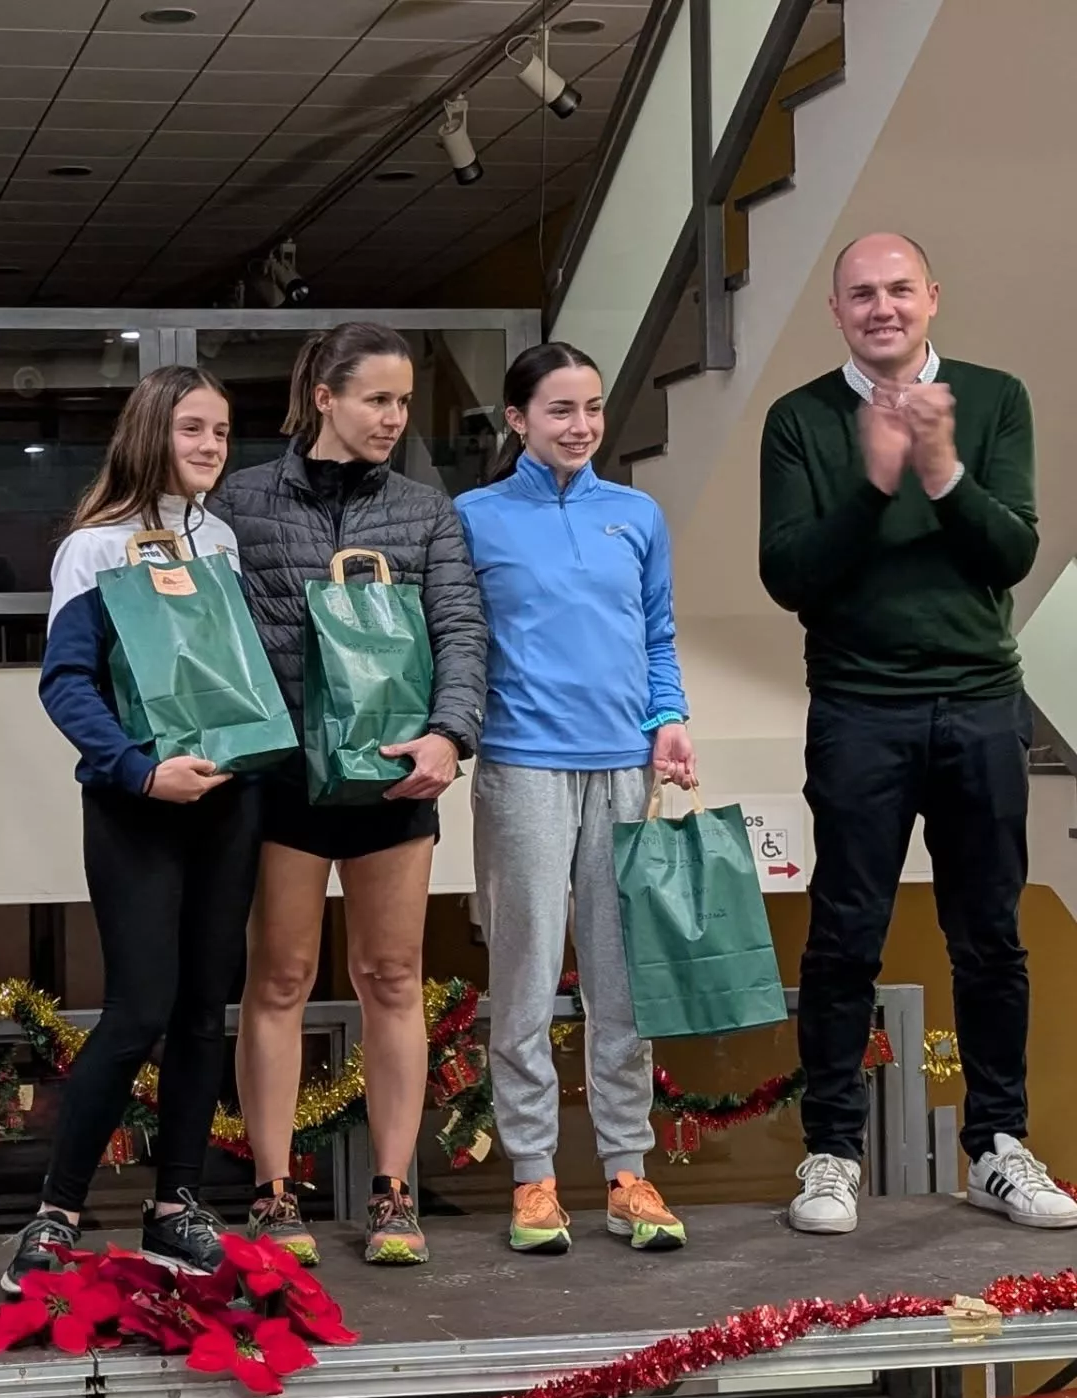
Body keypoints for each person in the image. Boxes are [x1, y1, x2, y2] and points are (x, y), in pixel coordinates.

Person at [760, 232, 1077, 1234]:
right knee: (844, 930)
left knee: (988, 933)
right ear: (837, 309)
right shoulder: (800, 419)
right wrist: (874, 480)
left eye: (900, 289)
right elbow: (791, 576)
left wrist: (939, 469)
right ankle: (832, 1153)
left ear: (932, 297)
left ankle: (998, 1145)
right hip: (858, 707)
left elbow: (1013, 551)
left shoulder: (994, 399)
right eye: (863, 293)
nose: (883, 307)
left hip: (980, 702)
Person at [210, 323, 486, 1266]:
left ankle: (393, 1193)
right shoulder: (241, 501)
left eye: (404, 402)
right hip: (283, 780)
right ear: (322, 397)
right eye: (377, 399)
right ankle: (274, 1195)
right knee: (279, 981)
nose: (394, 418)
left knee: (392, 980)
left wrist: (450, 736)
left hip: (397, 779)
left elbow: (461, 627)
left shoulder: (425, 510)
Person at [0, 365, 260, 1293]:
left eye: (223, 433)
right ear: (150, 431)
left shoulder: (222, 539)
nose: (210, 448)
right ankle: (56, 1212)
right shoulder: (96, 548)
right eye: (193, 429)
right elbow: (66, 683)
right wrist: (141, 771)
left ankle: (174, 1207)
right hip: (136, 803)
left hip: (228, 802)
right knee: (139, 1008)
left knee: (202, 1010)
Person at [456, 342, 697, 1257]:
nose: (582, 426)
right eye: (560, 410)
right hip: (521, 767)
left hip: (624, 769)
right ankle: (533, 1179)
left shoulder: (635, 515)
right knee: (521, 976)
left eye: (592, 408)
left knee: (620, 982)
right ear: (517, 419)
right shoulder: (472, 518)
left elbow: (659, 635)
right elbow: (457, 642)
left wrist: (667, 717)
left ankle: (628, 1173)